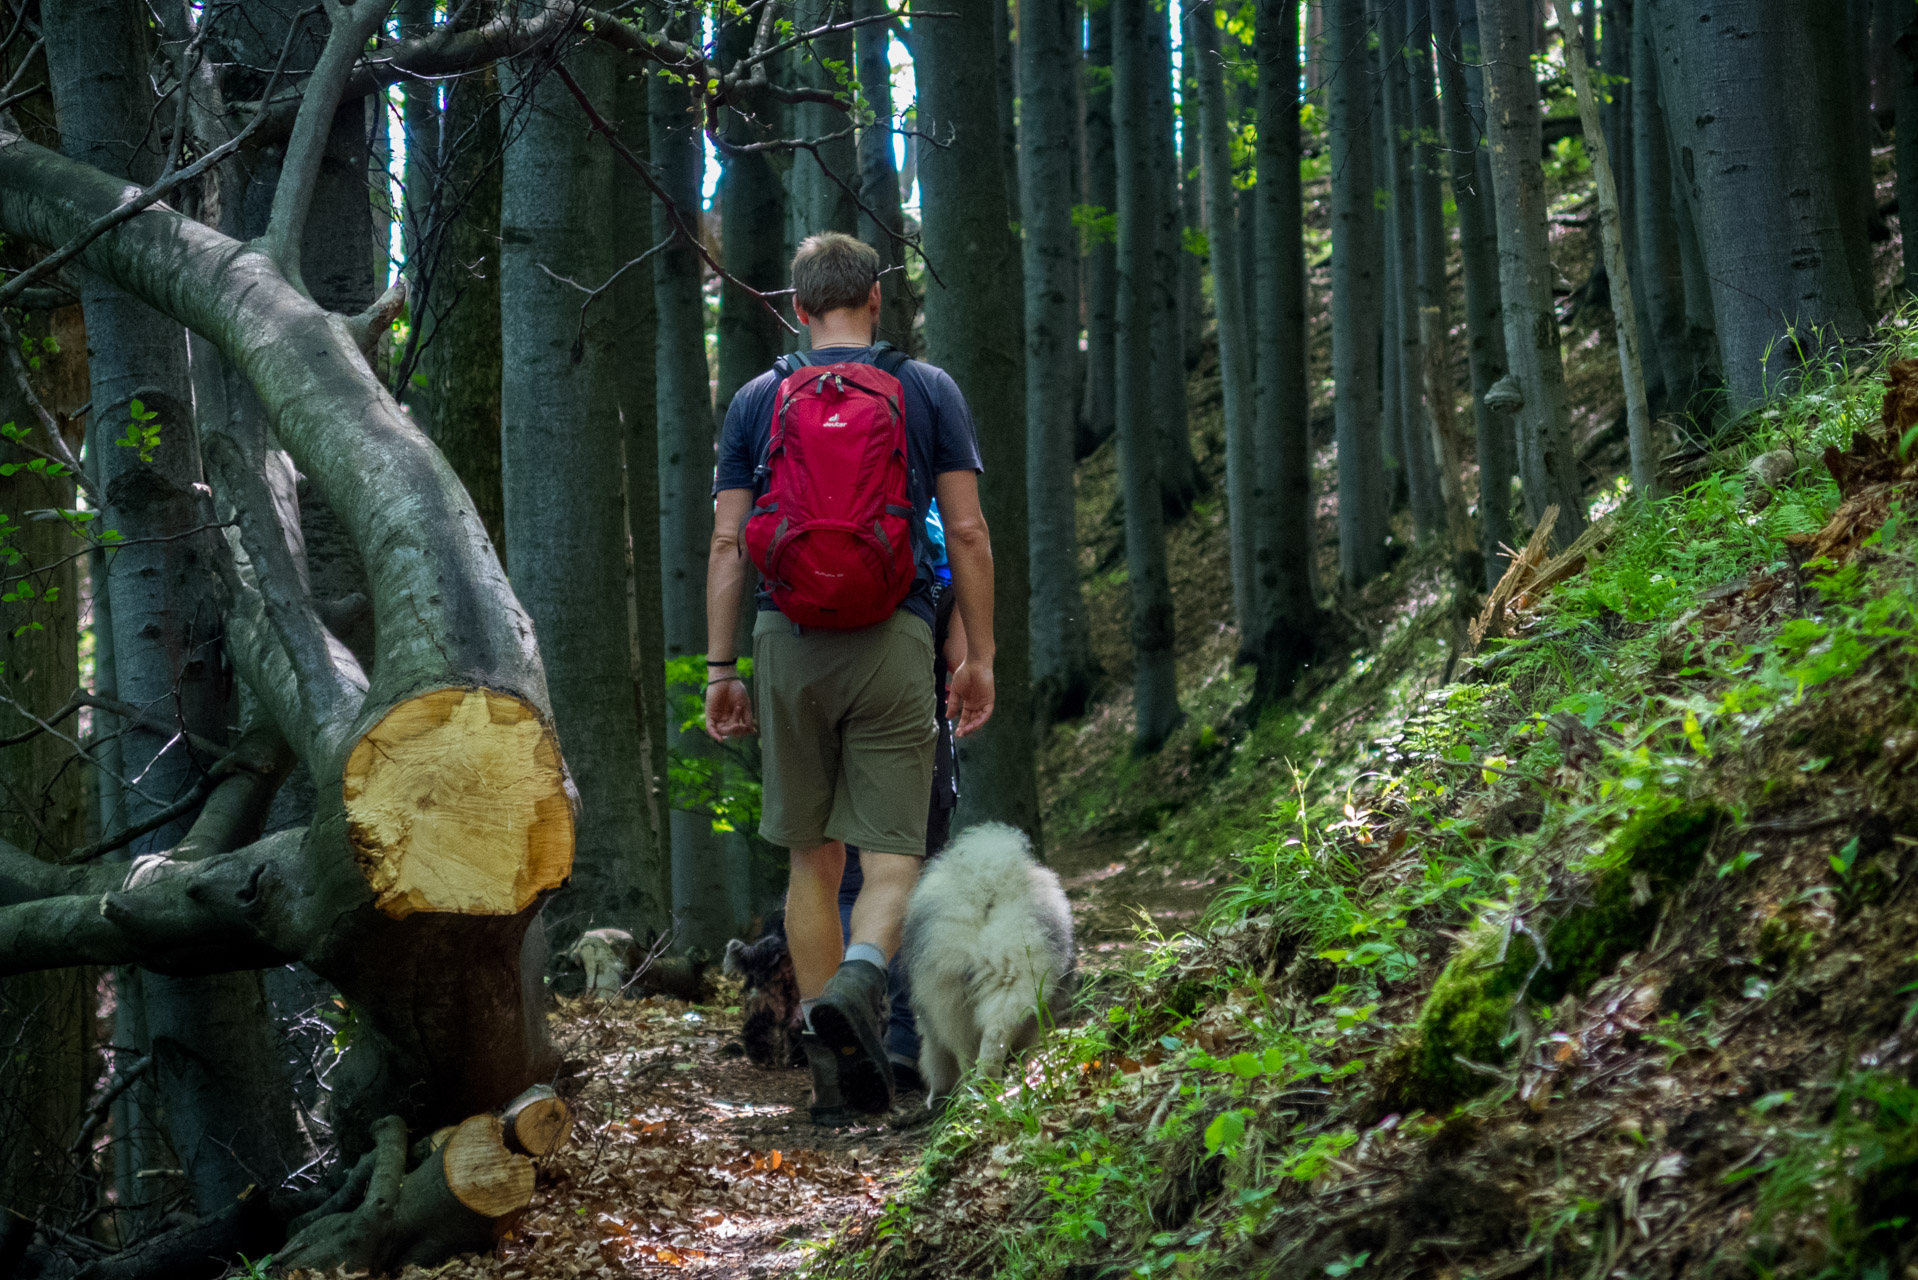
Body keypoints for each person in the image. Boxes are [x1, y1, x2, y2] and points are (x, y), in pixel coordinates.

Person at [704, 232, 996, 1125]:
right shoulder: (924, 388)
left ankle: (835, 1068)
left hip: (785, 640)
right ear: (876, 301)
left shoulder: (759, 399)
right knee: (892, 856)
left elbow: (726, 543)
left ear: (798, 309)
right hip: (895, 637)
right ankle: (864, 981)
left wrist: (723, 668)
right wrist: (978, 654)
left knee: (811, 858)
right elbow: (969, 531)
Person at [836, 501, 966, 1093]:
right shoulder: (929, 524)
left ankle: (839, 1037)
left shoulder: (805, 499)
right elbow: (958, 654)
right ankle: (910, 1043)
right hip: (911, 716)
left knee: (841, 879)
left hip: (822, 704)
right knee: (919, 873)